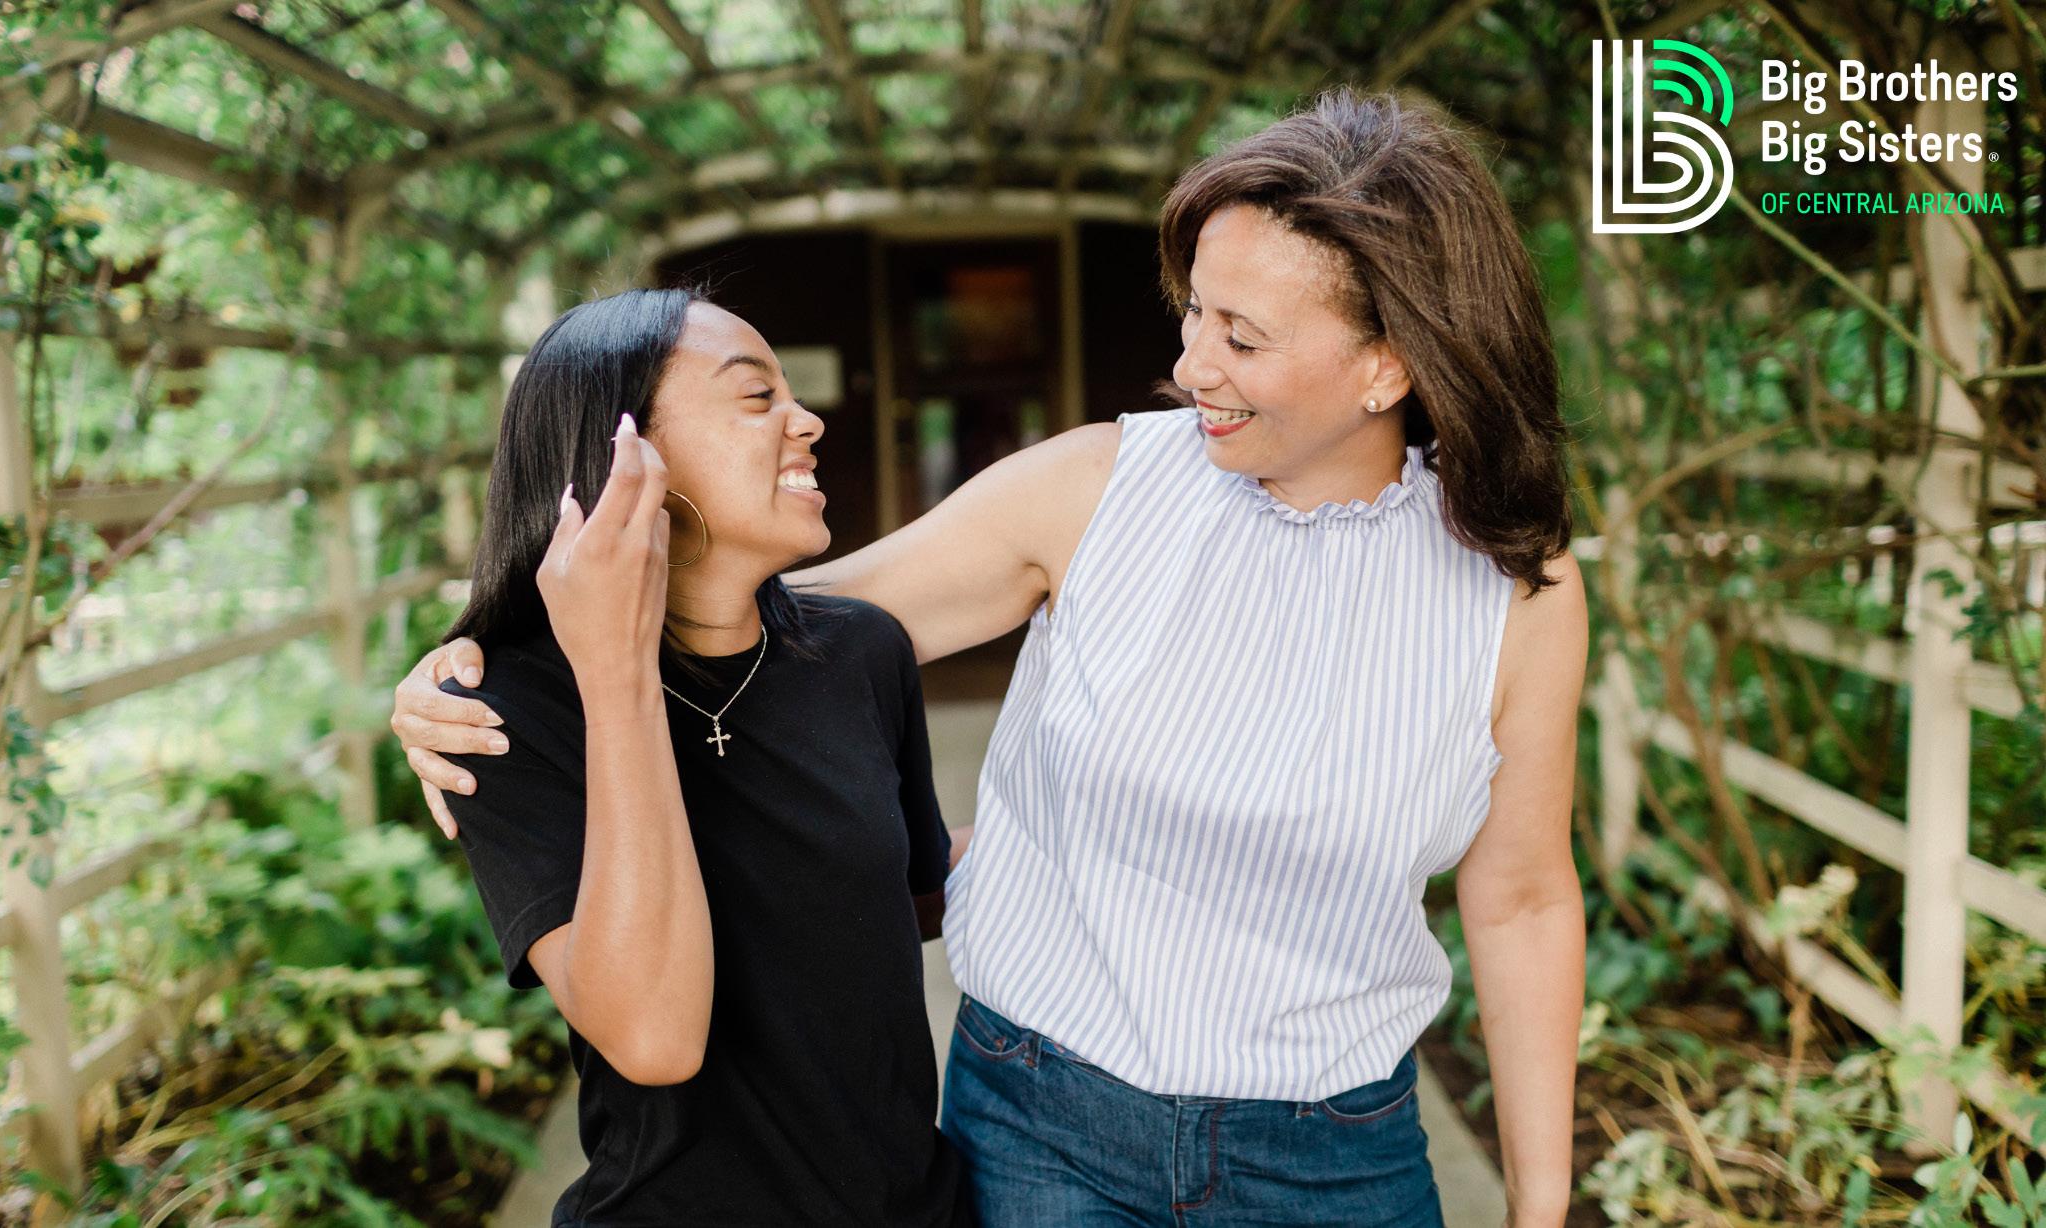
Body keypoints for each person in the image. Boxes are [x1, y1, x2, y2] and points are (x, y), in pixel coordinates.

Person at [395, 89, 1585, 1227]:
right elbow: (741, 615)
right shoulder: (1098, 487)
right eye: (1192, 312)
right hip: (1041, 1128)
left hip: (1335, 1154)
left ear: (1388, 364)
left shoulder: (1514, 589)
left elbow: (1522, 897)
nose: (1191, 365)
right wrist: (484, 664)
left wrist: (1538, 1199)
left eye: (1241, 335)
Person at [423, 287, 971, 1226]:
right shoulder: (502, 714)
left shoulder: (863, 652)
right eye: (758, 398)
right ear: (624, 455)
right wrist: (616, 671)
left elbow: (914, 894)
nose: (808, 422)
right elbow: (654, 1039)